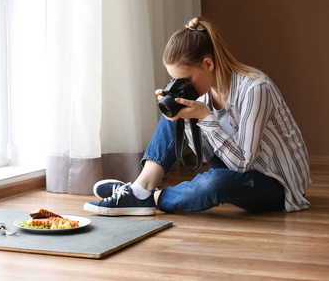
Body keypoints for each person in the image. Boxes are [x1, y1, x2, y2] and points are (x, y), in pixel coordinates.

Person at [83, 17, 312, 215]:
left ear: (208, 64)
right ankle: (141, 187)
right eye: (175, 80)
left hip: (277, 184)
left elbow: (242, 165)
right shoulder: (202, 93)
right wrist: (183, 116)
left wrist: (205, 117)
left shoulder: (255, 89)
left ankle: (145, 197)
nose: (181, 85)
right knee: (175, 108)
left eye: (184, 80)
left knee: (216, 182)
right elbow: (207, 154)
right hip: (235, 166)